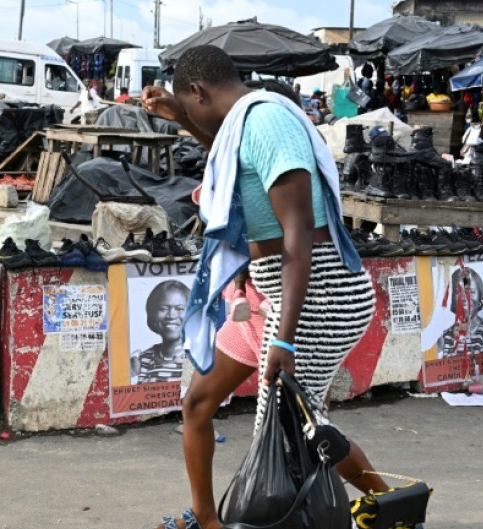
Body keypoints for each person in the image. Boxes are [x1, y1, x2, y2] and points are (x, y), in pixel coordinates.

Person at [142, 45, 387, 529]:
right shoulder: (243, 125)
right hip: (268, 294)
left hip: (319, 292)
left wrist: (285, 338)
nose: (192, 116)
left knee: (294, 434)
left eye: (189, 105)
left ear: (199, 90)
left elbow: (297, 231)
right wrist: (180, 118)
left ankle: (391, 507)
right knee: (198, 403)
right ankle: (208, 520)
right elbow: (232, 157)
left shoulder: (268, 122)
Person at [132, 280, 190, 384]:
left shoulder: (198, 358)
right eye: (163, 309)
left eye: (179, 309)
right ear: (153, 314)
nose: (171, 315)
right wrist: (131, 374)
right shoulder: (141, 360)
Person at [438, 266, 483, 359]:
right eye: (459, 292)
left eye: (471, 292)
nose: (465, 298)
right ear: (452, 297)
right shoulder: (443, 339)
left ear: (480, 295)